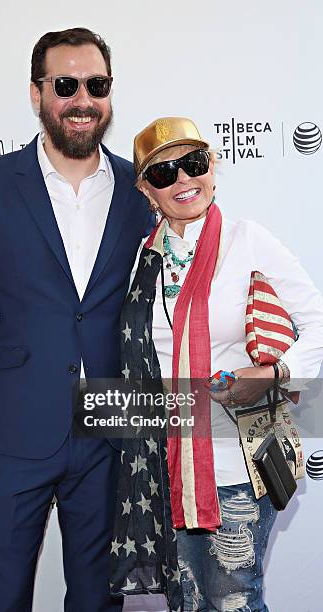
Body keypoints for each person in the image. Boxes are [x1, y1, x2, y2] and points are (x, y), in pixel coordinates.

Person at [0, 28, 153, 612]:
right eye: (66, 84)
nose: (82, 99)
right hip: (9, 430)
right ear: (37, 94)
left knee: (97, 600)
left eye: (97, 85)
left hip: (111, 431)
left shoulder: (143, 189)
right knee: (0, 598)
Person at [106, 117, 323, 611]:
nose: (182, 179)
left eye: (193, 163)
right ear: (146, 190)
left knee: (234, 600)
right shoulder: (143, 259)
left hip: (238, 462)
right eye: (164, 173)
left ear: (212, 168)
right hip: (166, 467)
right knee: (186, 601)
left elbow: (318, 325)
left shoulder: (248, 240)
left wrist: (274, 373)